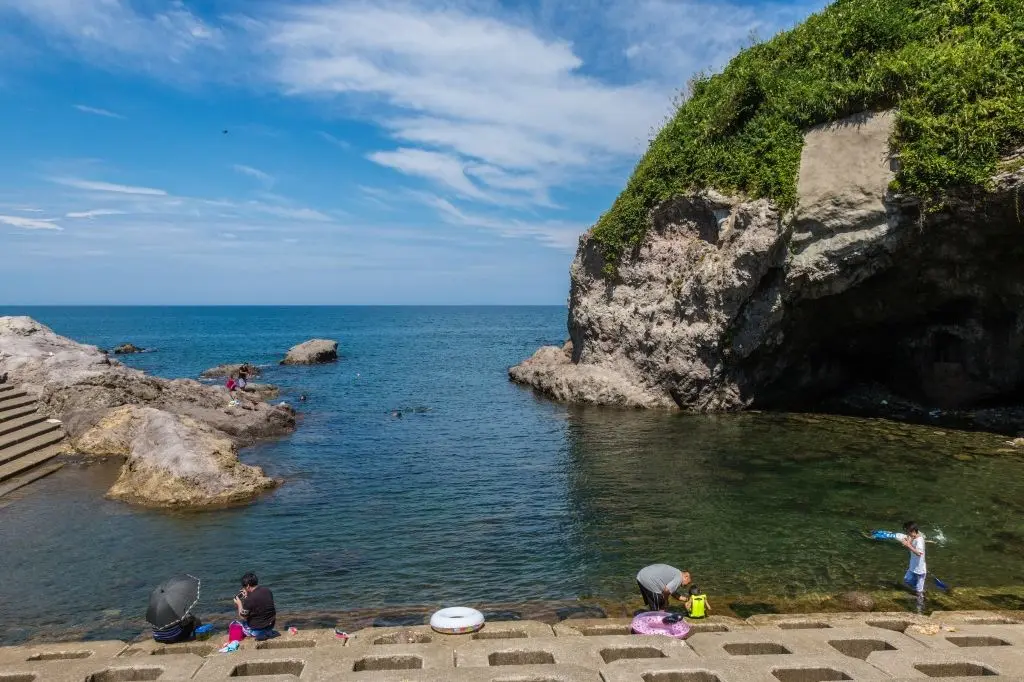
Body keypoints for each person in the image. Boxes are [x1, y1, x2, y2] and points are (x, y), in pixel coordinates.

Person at [231, 572, 277, 640]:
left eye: (244, 586)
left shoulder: (249, 600)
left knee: (235, 624)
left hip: (257, 631)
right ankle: (267, 632)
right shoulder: (267, 590)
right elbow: (258, 603)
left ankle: (255, 633)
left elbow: (242, 616)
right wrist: (248, 594)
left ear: (248, 586)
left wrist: (239, 603)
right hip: (271, 625)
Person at [900, 521, 927, 611]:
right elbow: (911, 541)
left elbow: (919, 553)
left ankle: (920, 609)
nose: (906, 533)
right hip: (913, 566)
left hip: (919, 569)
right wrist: (908, 541)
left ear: (912, 531)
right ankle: (920, 589)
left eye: (907, 531)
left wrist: (908, 545)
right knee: (907, 580)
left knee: (919, 592)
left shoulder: (919, 540)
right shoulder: (914, 536)